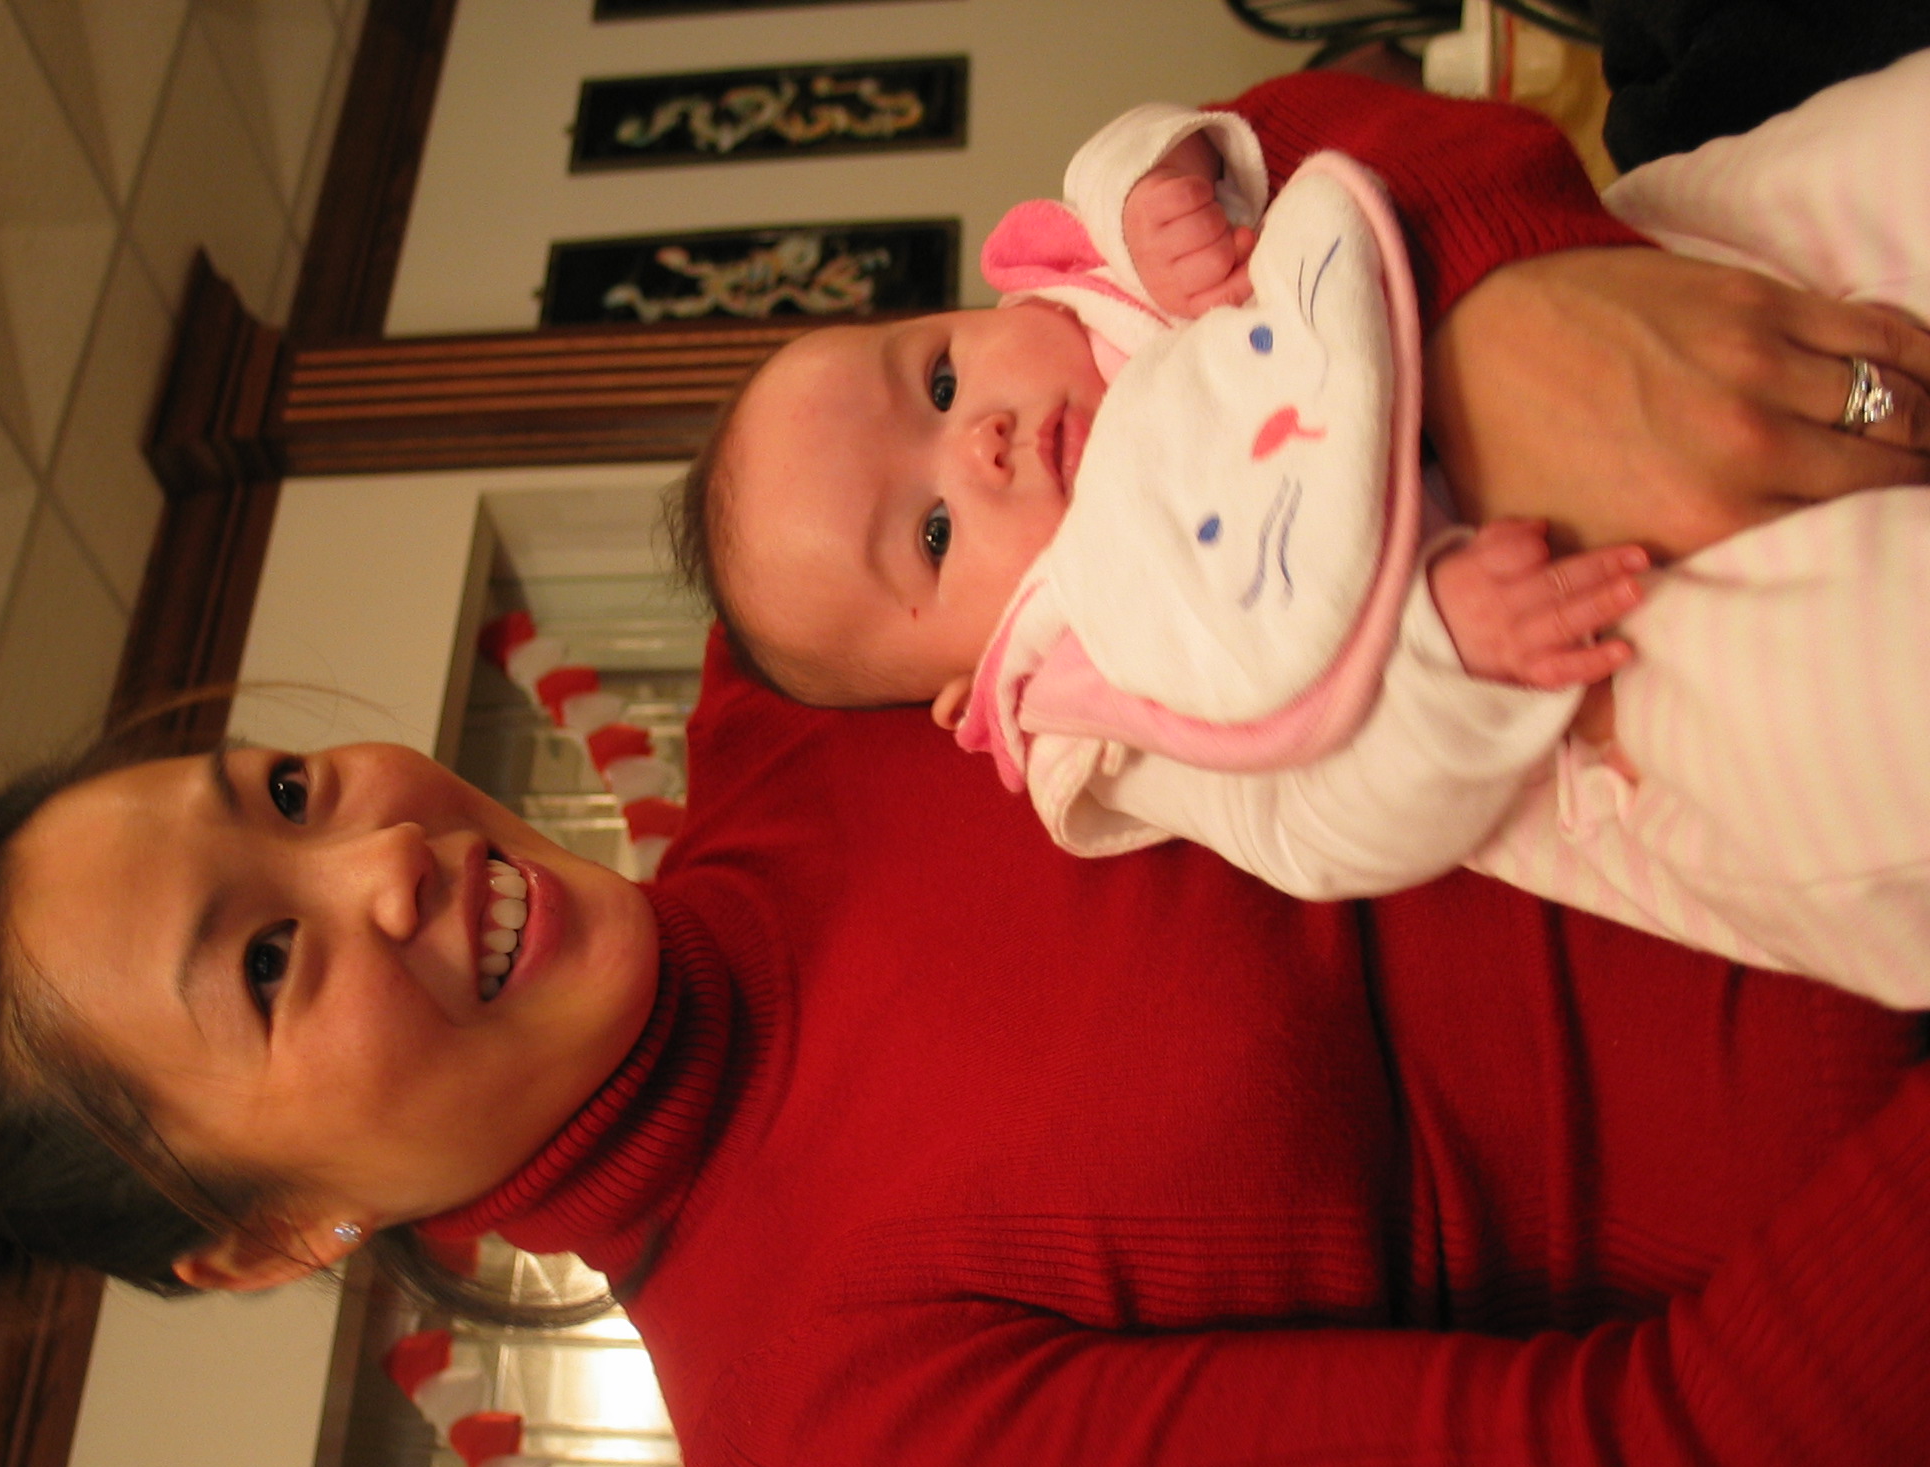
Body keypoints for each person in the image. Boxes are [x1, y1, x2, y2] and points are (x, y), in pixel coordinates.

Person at [0, 69, 1930, 1467]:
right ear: (271, 1234)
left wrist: (1502, 311)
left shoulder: (809, 665)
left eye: (288, 787)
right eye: (267, 958)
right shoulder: (833, 1460)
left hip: (1815, 387)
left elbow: (1224, 218)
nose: (385, 850)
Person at [683, 59, 1930, 1004]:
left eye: (940, 380)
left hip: (1677, 261)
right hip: (1582, 658)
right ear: (969, 689)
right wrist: (1443, 656)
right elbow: (1314, 827)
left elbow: (1199, 144)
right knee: (1852, 705)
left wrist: (1164, 185)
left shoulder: (1117, 283)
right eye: (933, 533)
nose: (980, 443)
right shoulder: (1103, 690)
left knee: (1872, 169)